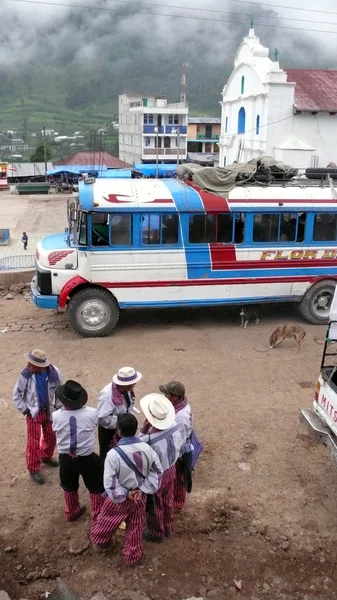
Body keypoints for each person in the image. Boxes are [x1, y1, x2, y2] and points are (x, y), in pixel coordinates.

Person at [91, 413, 163, 567]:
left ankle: (102, 542)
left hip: (121, 498)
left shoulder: (113, 455)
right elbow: (157, 472)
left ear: (119, 431)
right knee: (136, 526)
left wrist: (125, 494)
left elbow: (109, 484)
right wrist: (142, 490)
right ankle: (132, 556)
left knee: (107, 519)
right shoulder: (147, 449)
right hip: (140, 497)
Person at [52, 380, 105, 523]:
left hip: (65, 457)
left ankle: (72, 511)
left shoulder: (56, 415)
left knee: (68, 485)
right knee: (95, 486)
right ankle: (98, 516)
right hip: (86, 457)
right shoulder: (92, 413)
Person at [13, 349, 62, 485]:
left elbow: (60, 390)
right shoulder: (26, 375)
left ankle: (46, 456)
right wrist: (25, 410)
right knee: (33, 442)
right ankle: (33, 468)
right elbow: (16, 394)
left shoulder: (55, 373)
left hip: (50, 411)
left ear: (41, 366)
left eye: (31, 364)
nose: (28, 366)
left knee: (51, 436)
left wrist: (58, 407)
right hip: (34, 412)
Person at [138, 393, 183, 542]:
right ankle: (167, 526)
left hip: (157, 476)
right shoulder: (176, 427)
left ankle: (157, 533)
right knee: (168, 498)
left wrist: (143, 430)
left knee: (155, 504)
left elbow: (137, 449)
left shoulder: (149, 440)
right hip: (171, 468)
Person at [97, 366, 142, 462]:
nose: (135, 384)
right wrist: (121, 422)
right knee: (108, 456)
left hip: (122, 427)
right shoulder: (107, 395)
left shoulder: (127, 390)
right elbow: (103, 418)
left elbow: (129, 403)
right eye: (133, 383)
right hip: (109, 431)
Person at [159, 381, 192, 511]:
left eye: (166, 394)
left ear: (174, 397)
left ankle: (178, 503)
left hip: (180, 449)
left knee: (179, 476)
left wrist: (173, 457)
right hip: (182, 442)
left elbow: (179, 440)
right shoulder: (181, 405)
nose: (164, 396)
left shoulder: (181, 418)